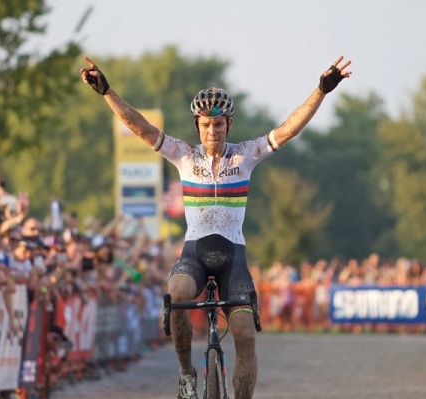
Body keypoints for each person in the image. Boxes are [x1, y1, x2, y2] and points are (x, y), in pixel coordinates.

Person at [81, 55, 352, 399]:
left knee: (245, 335)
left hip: (232, 259)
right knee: (177, 296)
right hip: (194, 253)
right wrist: (107, 92)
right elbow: (138, 125)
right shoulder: (183, 155)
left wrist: (321, 90)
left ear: (229, 125)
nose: (213, 131)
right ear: (197, 126)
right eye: (207, 126)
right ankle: (185, 373)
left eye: (219, 125)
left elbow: (289, 128)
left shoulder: (245, 155)